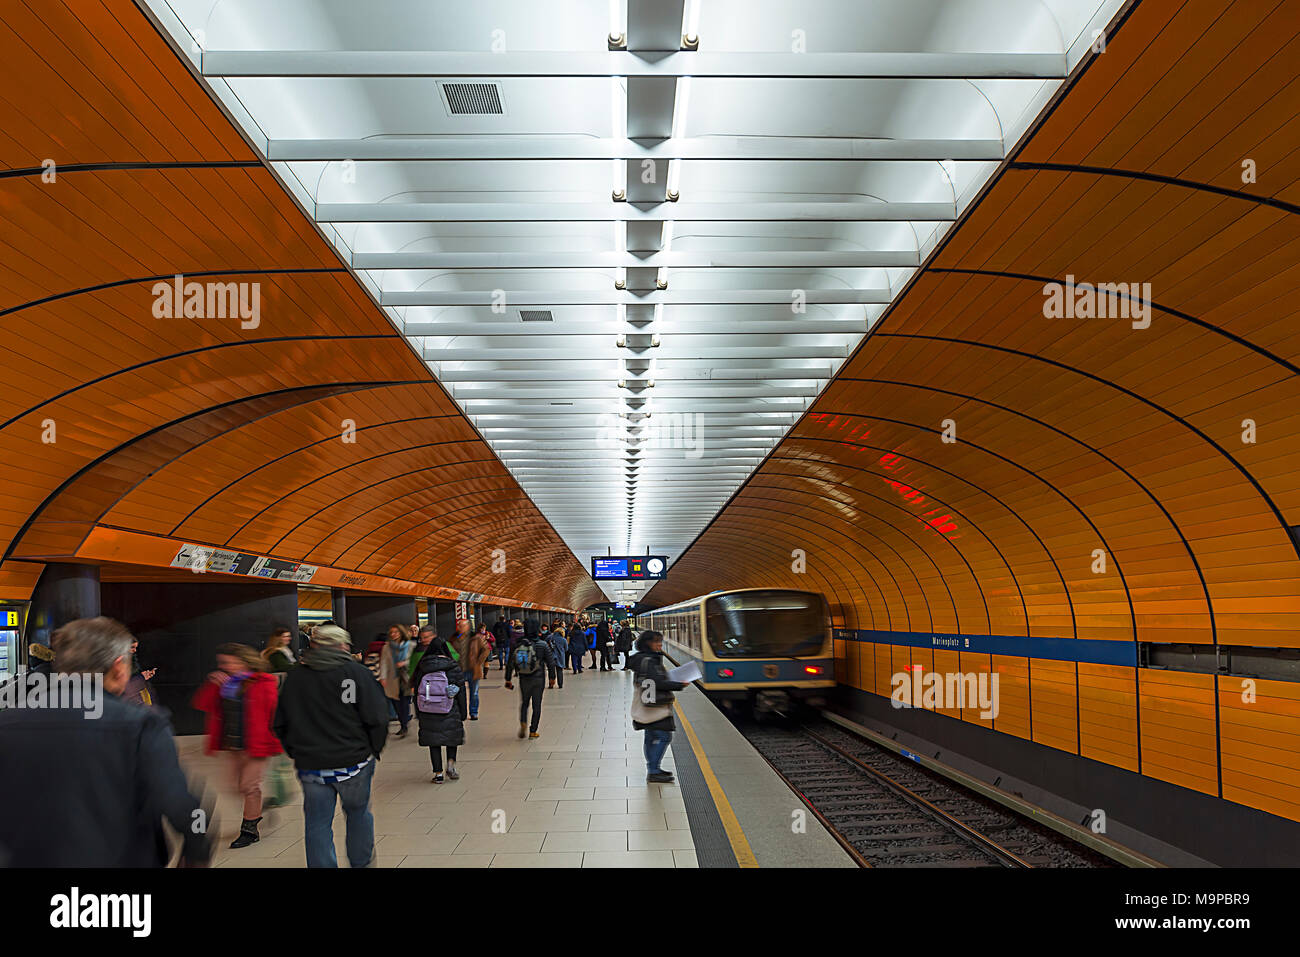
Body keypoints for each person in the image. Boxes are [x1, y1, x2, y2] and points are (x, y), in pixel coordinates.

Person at [0, 616, 213, 867]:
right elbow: (183, 806)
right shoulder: (141, 725)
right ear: (119, 667)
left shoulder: (7, 723)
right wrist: (197, 849)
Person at [272, 623, 389, 868]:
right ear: (343, 645)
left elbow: (280, 722)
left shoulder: (296, 676)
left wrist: (297, 751)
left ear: (314, 645)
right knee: (358, 815)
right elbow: (377, 717)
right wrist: (372, 749)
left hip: (311, 765)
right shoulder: (356, 673)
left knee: (317, 823)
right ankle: (362, 863)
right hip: (353, 762)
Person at [191, 642, 283, 848]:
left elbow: (274, 711)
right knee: (233, 787)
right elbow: (201, 704)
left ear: (243, 661)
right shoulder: (224, 684)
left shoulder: (263, 681)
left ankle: (249, 830)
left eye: (228, 662)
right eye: (222, 663)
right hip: (232, 744)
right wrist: (212, 685)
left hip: (256, 744)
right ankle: (259, 809)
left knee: (248, 786)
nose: (224, 666)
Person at [627, 631, 686, 784]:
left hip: (646, 703)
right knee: (664, 736)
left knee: (650, 736)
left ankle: (653, 768)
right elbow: (658, 682)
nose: (660, 645)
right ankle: (653, 769)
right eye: (656, 642)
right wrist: (679, 684)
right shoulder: (650, 660)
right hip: (655, 706)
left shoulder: (642, 659)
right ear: (648, 643)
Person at [412, 635, 466, 782]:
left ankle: (438, 774)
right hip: (449, 708)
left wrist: (418, 710)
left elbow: (417, 690)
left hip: (428, 709)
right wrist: (463, 712)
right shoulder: (452, 666)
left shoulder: (423, 666)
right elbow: (461, 690)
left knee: (433, 742)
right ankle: (451, 763)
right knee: (451, 737)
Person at [261, 627, 297, 808]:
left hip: (278, 698)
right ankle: (281, 794)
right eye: (285, 636)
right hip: (279, 696)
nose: (288, 639)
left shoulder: (277, 652)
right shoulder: (276, 654)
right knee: (279, 761)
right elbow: (286, 668)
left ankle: (281, 794)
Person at [504, 620, 557, 739]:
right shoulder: (542, 644)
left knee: (524, 703)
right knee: (536, 705)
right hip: (539, 679)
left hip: (524, 678)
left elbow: (510, 663)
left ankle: (523, 723)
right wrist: (552, 677)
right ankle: (533, 731)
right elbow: (551, 662)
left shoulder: (519, 644)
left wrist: (508, 679)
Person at [378, 624, 414, 738]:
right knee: (396, 702)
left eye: (396, 632)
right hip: (393, 678)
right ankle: (402, 721)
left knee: (405, 701)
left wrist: (404, 663)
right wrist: (382, 677)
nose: (393, 635)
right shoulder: (387, 647)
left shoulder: (411, 645)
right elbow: (383, 663)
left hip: (406, 678)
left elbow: (414, 661)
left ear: (401, 633)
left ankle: (404, 726)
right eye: (392, 632)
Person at [462, 622, 492, 719]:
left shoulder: (477, 638)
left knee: (474, 692)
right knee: (460, 692)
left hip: (474, 669)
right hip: (461, 669)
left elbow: (486, 649)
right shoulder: (458, 638)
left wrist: (478, 662)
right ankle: (462, 713)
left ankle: (473, 712)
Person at [547, 623, 568, 690]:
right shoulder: (563, 640)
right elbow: (566, 649)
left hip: (551, 656)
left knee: (551, 671)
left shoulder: (550, 637)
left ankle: (551, 684)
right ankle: (560, 684)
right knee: (559, 671)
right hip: (560, 657)